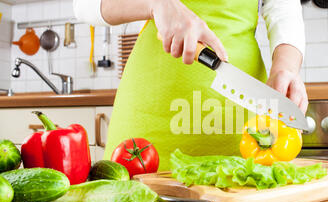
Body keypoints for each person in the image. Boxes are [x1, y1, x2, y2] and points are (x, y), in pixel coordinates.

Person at [74, 0, 308, 171]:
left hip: (242, 124)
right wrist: (156, 4)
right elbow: (85, 5)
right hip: (149, 119)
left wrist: (285, 66)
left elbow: (283, 8)